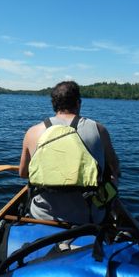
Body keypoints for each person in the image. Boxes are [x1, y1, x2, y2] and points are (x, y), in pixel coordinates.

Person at [19, 80, 121, 224]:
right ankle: (114, 214)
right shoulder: (99, 130)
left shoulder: (33, 132)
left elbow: (23, 174)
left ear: (53, 104)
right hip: (89, 218)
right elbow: (114, 167)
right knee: (113, 176)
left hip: (42, 215)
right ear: (78, 103)